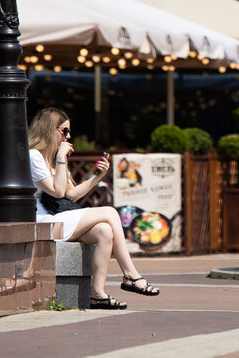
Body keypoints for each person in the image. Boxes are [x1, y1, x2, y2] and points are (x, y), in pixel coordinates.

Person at [28, 107, 159, 310]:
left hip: (58, 220)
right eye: (64, 131)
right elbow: (57, 191)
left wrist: (97, 177)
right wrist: (62, 158)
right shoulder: (34, 156)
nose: (68, 137)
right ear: (49, 130)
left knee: (104, 231)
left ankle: (97, 294)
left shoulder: (55, 159)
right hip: (42, 223)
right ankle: (131, 274)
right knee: (110, 212)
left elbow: (69, 195)